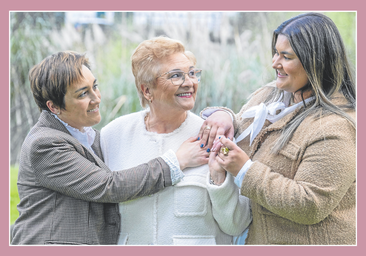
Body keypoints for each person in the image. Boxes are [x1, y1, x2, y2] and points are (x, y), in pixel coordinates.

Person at [11, 51, 207, 245]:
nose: (96, 98)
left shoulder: (93, 137)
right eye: (83, 94)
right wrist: (176, 162)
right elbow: (108, 186)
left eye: (94, 86)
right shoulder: (45, 144)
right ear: (53, 107)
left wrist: (221, 116)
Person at [199, 12, 356, 245]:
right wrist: (225, 116)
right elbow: (242, 125)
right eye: (275, 52)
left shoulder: (336, 127)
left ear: (316, 61)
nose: (275, 63)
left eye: (286, 56)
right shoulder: (270, 95)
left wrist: (244, 170)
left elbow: (310, 204)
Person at [100, 36, 251, 245]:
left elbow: (237, 224)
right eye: (176, 75)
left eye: (191, 73)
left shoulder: (213, 135)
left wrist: (219, 180)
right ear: (147, 90)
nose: (189, 82)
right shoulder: (112, 136)